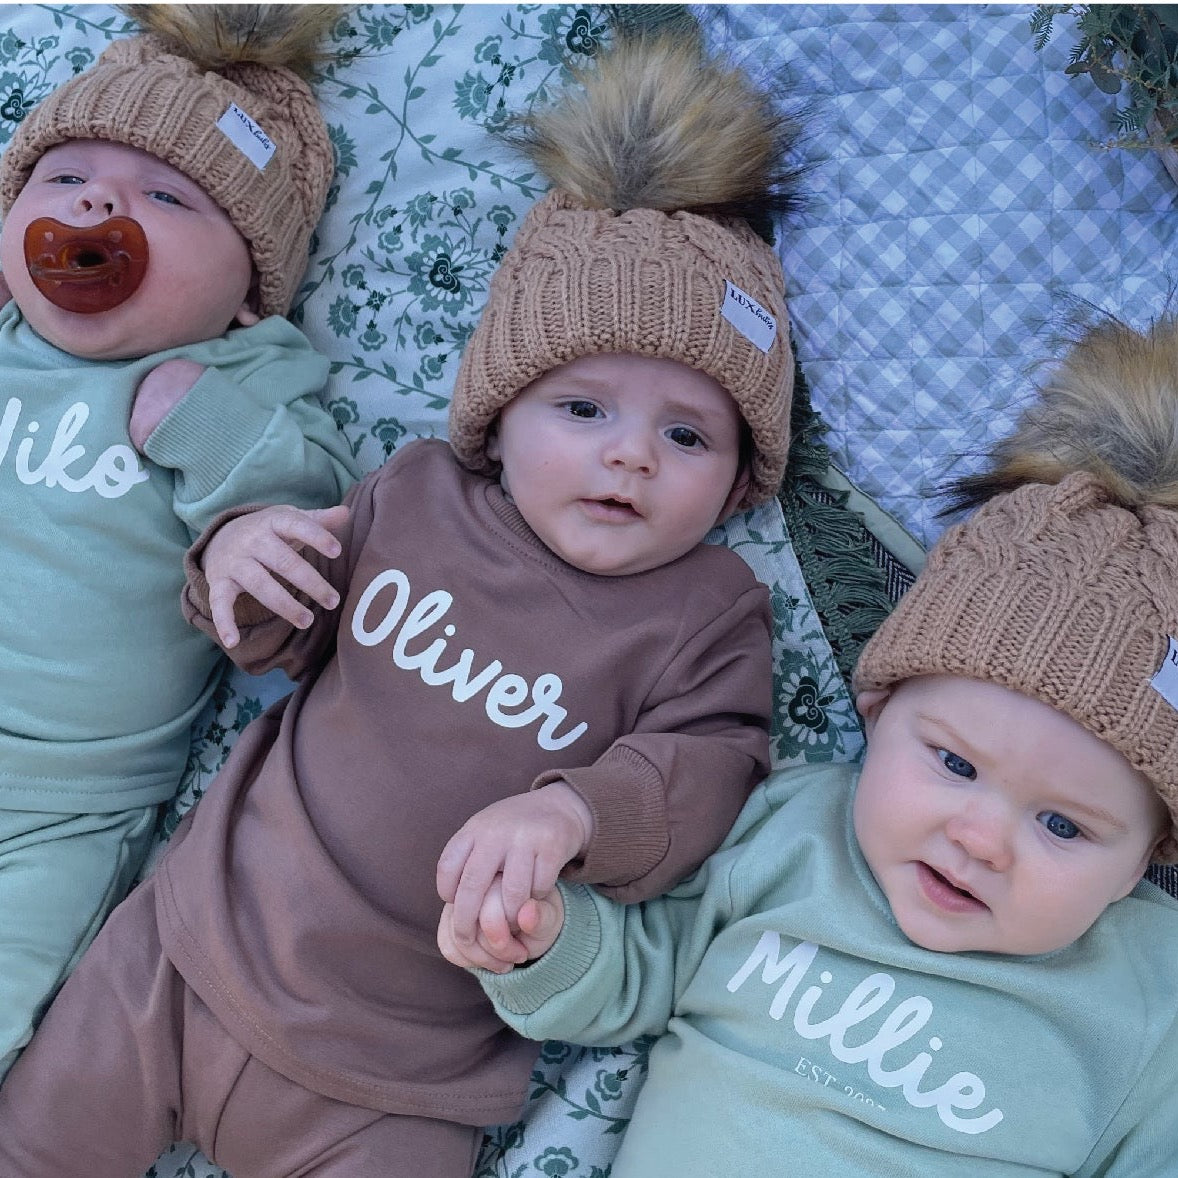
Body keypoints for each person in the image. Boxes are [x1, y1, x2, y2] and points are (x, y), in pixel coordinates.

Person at [0, 32, 800, 1176]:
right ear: (497, 409)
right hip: (186, 953)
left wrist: (573, 815)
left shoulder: (707, 608)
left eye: (687, 434)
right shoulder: (415, 496)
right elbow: (283, 634)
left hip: (404, 1070)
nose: (629, 457)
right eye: (581, 409)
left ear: (740, 472)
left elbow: (712, 761)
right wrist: (240, 558)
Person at [444, 312, 1178, 1176]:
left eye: (1064, 827)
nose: (980, 840)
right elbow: (646, 970)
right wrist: (543, 939)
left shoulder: (1146, 997)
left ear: (1146, 857)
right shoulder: (794, 831)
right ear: (876, 713)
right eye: (953, 764)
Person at [0, 6, 357, 1083]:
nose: (99, 204)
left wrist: (220, 469)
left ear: (250, 294)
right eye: (62, 182)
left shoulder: (246, 377)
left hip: (64, 803)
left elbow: (315, 509)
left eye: (167, 196)